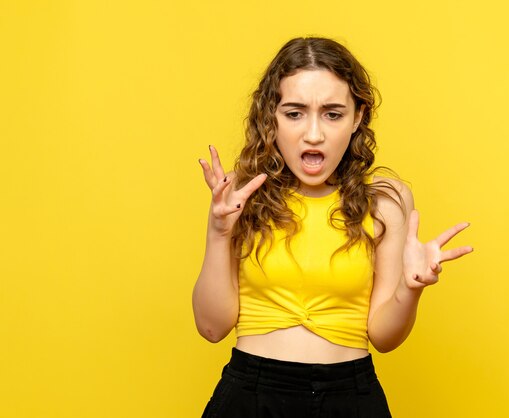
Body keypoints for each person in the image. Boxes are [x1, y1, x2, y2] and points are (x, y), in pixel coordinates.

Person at [193, 36, 473, 418]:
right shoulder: (242, 193)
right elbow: (211, 328)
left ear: (357, 117)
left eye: (332, 113)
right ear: (270, 117)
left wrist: (411, 288)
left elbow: (385, 337)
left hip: (350, 397)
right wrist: (218, 231)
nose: (313, 134)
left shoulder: (386, 202)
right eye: (294, 113)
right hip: (251, 396)